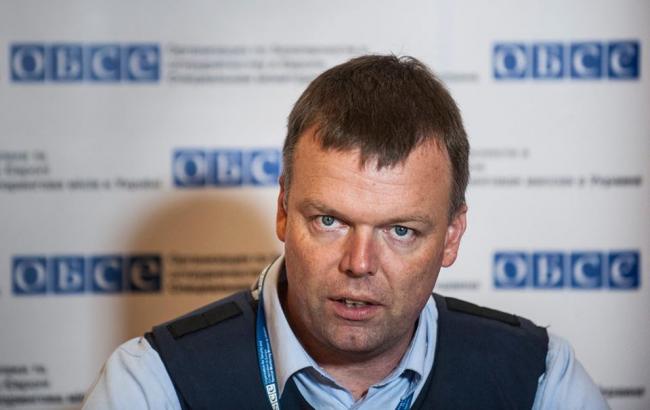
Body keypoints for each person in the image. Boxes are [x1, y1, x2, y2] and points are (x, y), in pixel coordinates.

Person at [83, 55, 608, 409]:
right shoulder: (153, 385)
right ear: (284, 211)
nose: (359, 263)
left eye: (400, 230)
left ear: (452, 236)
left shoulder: (539, 379)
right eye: (329, 221)